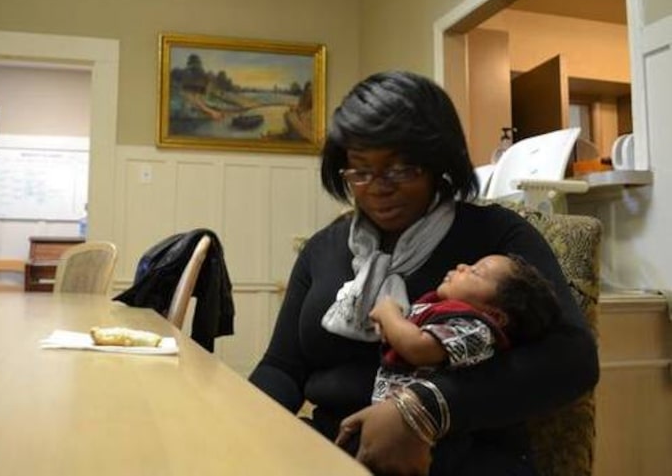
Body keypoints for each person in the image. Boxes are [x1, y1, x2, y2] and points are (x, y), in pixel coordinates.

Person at [248, 71, 598, 475]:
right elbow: (283, 368)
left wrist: (427, 407)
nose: (378, 187)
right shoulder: (323, 248)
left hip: (462, 456)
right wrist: (240, 421)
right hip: (333, 452)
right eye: (360, 171)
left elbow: (573, 359)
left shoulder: (495, 236)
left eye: (400, 170)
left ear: (437, 165)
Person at [368, 253, 560, 405]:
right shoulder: (442, 310)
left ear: (495, 316)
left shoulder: (477, 329)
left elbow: (418, 348)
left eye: (476, 272)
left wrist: (389, 313)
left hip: (431, 438)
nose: (462, 266)